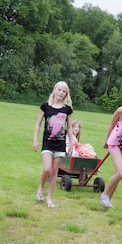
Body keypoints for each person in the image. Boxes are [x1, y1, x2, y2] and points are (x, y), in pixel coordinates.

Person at [33, 81, 75, 209]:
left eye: (64, 91)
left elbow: (69, 128)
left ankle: (50, 198)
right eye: (59, 90)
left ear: (66, 94)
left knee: (54, 171)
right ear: (55, 90)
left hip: (60, 144)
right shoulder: (46, 106)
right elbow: (38, 123)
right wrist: (35, 139)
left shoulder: (67, 109)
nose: (61, 93)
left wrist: (72, 144)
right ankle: (41, 187)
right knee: (46, 169)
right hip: (47, 142)